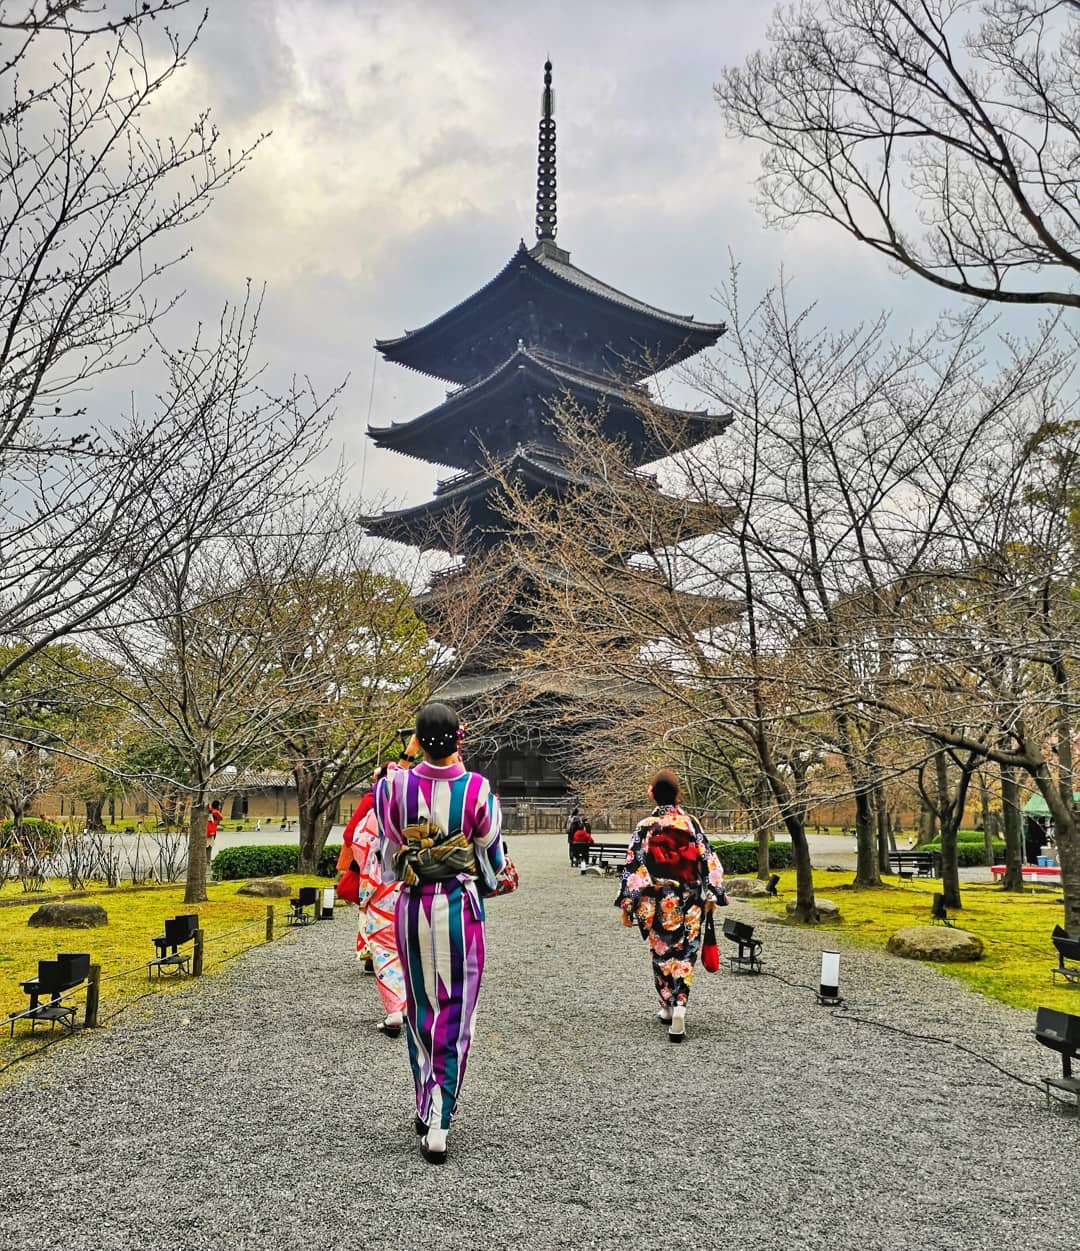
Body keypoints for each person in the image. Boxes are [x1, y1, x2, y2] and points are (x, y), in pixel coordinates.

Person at [374, 701, 503, 1165]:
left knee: (420, 1006)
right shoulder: (476, 789)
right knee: (456, 1012)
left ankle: (422, 1100)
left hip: (411, 908)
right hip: (459, 909)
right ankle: (440, 1117)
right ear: (460, 738)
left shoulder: (393, 785)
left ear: (416, 741)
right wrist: (487, 875)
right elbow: (492, 852)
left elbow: (389, 850)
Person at [615, 769, 724, 1043]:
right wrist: (713, 893)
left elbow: (633, 866)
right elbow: (708, 859)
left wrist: (628, 905)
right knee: (686, 954)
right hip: (690, 900)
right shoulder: (690, 824)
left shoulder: (645, 826)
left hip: (659, 900)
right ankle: (680, 1008)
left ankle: (667, 1004)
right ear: (678, 794)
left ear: (651, 792)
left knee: (662, 953)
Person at [345, 770, 406, 1034]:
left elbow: (354, 842)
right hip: (415, 889)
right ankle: (416, 1009)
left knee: (384, 950)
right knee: (414, 948)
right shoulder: (417, 814)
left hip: (381, 890)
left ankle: (394, 1012)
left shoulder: (372, 817)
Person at [205, 800, 223, 864]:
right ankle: (208, 860)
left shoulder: (208, 810)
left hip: (207, 830)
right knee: (209, 846)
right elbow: (221, 817)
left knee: (206, 845)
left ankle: (206, 859)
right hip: (211, 831)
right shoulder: (215, 812)